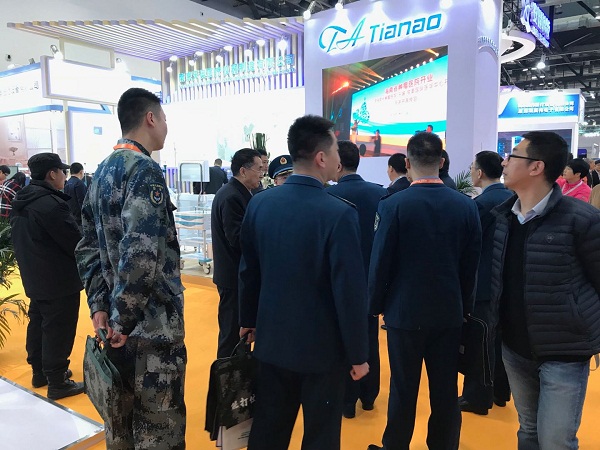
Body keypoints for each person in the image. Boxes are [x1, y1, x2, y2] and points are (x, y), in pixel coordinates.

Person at [239, 115, 369, 450]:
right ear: (321, 157)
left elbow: (249, 270)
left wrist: (248, 320)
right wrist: (358, 353)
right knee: (321, 437)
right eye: (336, 150)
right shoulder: (339, 213)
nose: (340, 158)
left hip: (271, 342)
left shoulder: (260, 204)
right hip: (322, 352)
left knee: (268, 431)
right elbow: (349, 292)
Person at [75, 88, 186, 449]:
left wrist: (101, 308)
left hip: (114, 327)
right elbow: (141, 254)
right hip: (151, 328)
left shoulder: (100, 173)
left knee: (121, 428)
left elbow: (87, 247)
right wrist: (122, 319)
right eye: (164, 118)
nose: (166, 126)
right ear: (150, 118)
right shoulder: (144, 170)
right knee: (159, 430)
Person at [367, 132, 481, 450]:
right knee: (445, 388)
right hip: (449, 312)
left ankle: (395, 445)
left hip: (403, 313)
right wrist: (465, 307)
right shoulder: (465, 206)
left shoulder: (393, 205)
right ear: (442, 162)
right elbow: (471, 264)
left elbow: (381, 262)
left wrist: (375, 305)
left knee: (403, 387)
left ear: (407, 163)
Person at [492, 131, 600, 449]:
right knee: (528, 429)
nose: (504, 162)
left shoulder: (582, 220)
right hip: (515, 347)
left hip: (564, 351)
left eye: (513, 156)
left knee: (555, 440)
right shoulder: (502, 217)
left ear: (536, 167)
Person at [10, 153, 84, 399]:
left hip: (34, 275)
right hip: (58, 279)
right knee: (59, 328)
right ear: (52, 174)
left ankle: (40, 372)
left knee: (39, 323)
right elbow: (74, 242)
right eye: (62, 171)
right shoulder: (51, 205)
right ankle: (58, 381)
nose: (64, 176)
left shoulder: (23, 200)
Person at [328, 140, 386, 419]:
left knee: (341, 338)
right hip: (371, 280)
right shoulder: (380, 194)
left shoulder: (328, 196)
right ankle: (369, 395)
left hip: (338, 281)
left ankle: (347, 401)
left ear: (337, 163)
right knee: (369, 337)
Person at [459, 151, 513, 416]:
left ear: (479, 173)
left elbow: (468, 245)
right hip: (507, 280)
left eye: (472, 167)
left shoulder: (481, 205)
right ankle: (501, 391)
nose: (471, 171)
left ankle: (477, 397)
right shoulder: (512, 198)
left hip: (483, 282)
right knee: (501, 338)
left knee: (480, 340)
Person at [211, 148, 263, 358]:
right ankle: (226, 375)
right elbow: (237, 238)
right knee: (232, 334)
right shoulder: (232, 196)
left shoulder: (237, 192)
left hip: (235, 276)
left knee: (240, 334)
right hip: (233, 278)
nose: (261, 174)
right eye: (258, 169)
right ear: (243, 170)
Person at [63, 162, 87, 229]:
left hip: (71, 216)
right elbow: (83, 202)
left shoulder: (68, 183)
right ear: (81, 172)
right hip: (80, 218)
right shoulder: (79, 184)